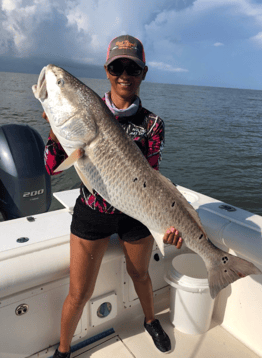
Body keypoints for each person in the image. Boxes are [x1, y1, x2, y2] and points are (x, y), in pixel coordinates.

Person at [45, 35, 183, 358]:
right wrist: (55, 133)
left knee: (141, 274)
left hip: (135, 210)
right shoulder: (81, 110)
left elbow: (151, 180)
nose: (124, 74)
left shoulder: (152, 124)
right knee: (79, 293)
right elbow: (52, 168)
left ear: (143, 73)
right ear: (106, 70)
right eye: (117, 66)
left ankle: (150, 320)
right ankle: (64, 350)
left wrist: (167, 227)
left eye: (132, 68)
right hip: (93, 209)